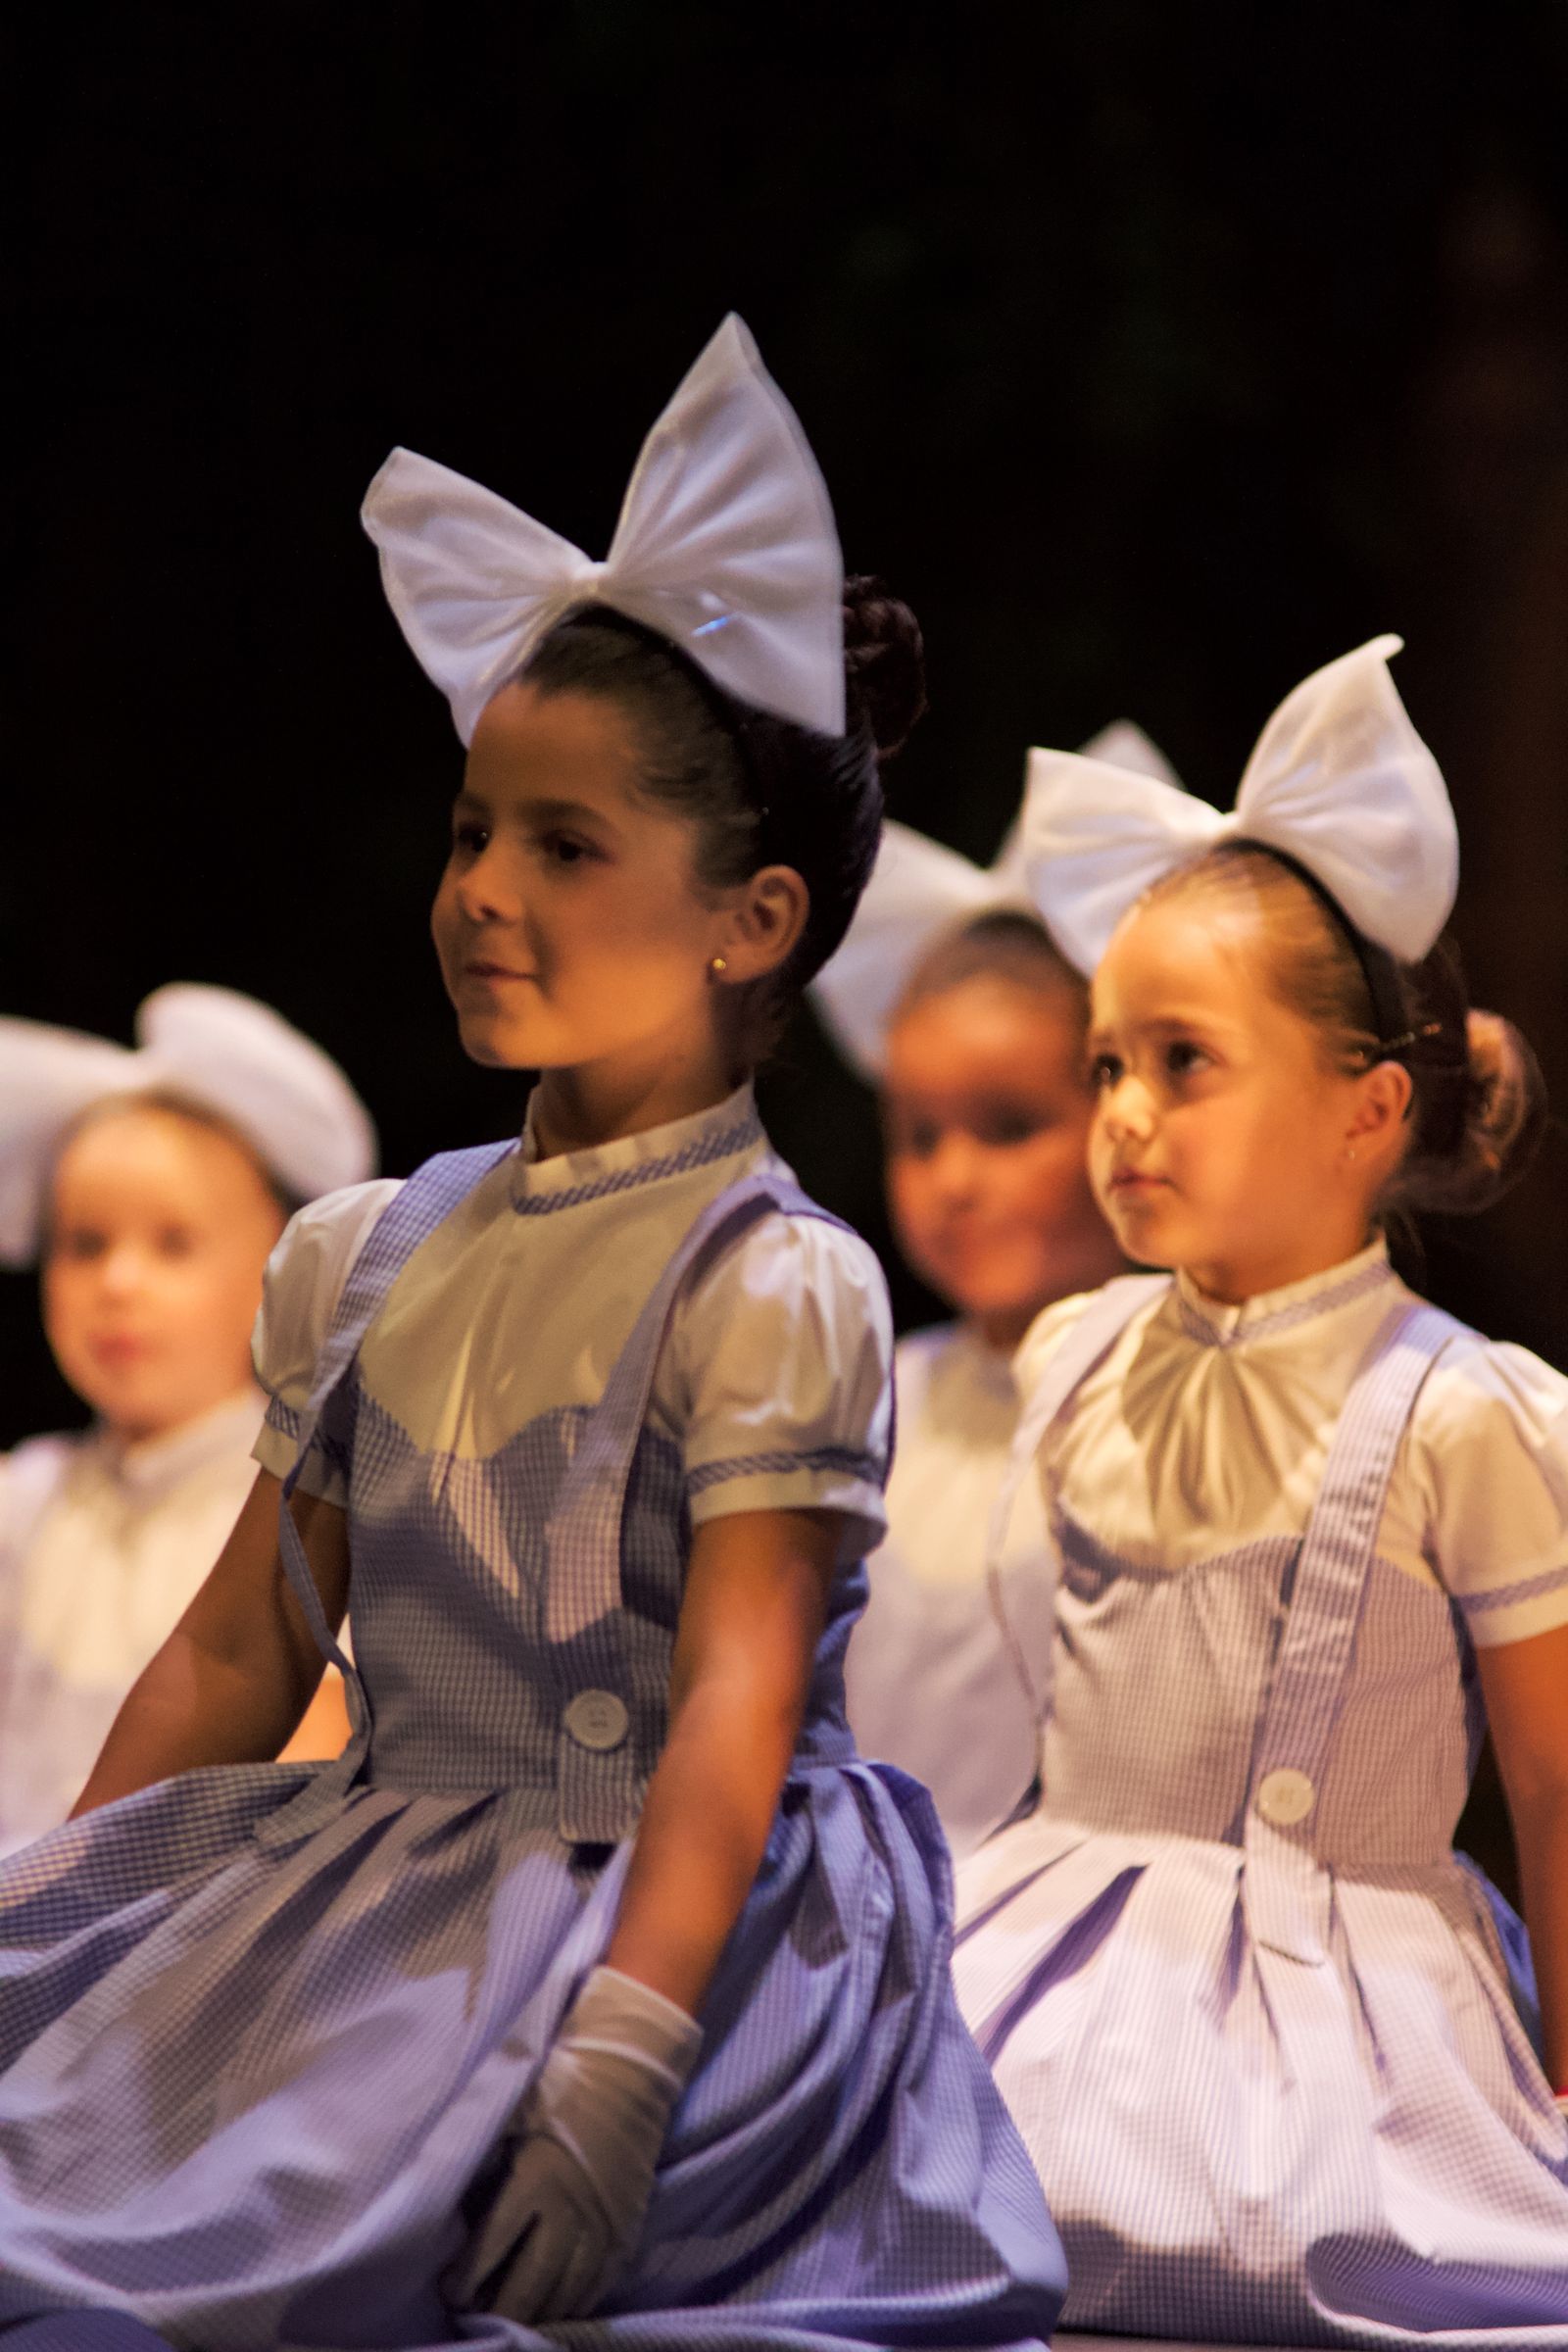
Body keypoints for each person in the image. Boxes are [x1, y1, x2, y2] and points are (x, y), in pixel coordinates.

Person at [0, 318, 1063, 2352]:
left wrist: (626, 2058)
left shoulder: (768, 1278)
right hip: (386, 1893)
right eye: (472, 830)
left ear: (749, 919)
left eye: (562, 846)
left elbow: (735, 1714)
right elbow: (243, 1646)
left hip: (675, 1931)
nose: (482, 889)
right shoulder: (369, 1252)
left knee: (325, 2272)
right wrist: (73, 1930)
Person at [953, 635, 1568, 2346]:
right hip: (1046, 1978)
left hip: (1336, 2023)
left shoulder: (1464, 1413)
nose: (1126, 1116)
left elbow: (1555, 1778)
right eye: (1104, 1067)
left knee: (1314, 2266)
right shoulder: (1074, 1356)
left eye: (1184, 1062)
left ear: (1369, 1110)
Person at [811, 741, 1160, 1852]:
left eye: (1008, 1127)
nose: (953, 1179)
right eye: (918, 1135)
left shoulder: (1190, 1389)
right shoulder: (872, 1399)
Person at [0, 986, 373, 1853]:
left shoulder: (309, 1506)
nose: (119, 1284)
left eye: (173, 1244)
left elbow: (307, 1765)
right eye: (85, 1243)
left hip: (196, 1927)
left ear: (281, 1271)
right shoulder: (23, 1501)